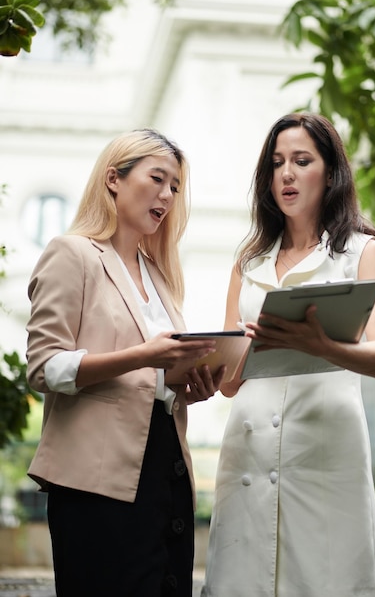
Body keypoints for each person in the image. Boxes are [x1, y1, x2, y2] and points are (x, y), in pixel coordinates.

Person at [202, 112, 375, 597]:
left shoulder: (361, 253)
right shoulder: (248, 262)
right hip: (248, 454)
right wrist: (223, 357)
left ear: (329, 173)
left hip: (326, 449)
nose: (286, 173)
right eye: (276, 163)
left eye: (301, 160)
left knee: (325, 578)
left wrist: (322, 346)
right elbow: (229, 382)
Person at [25, 128, 226, 597]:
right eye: (158, 178)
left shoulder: (159, 277)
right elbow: (43, 367)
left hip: (165, 466)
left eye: (175, 186)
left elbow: (155, 380)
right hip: (95, 478)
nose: (167, 195)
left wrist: (189, 383)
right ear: (114, 178)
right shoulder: (71, 253)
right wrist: (145, 356)